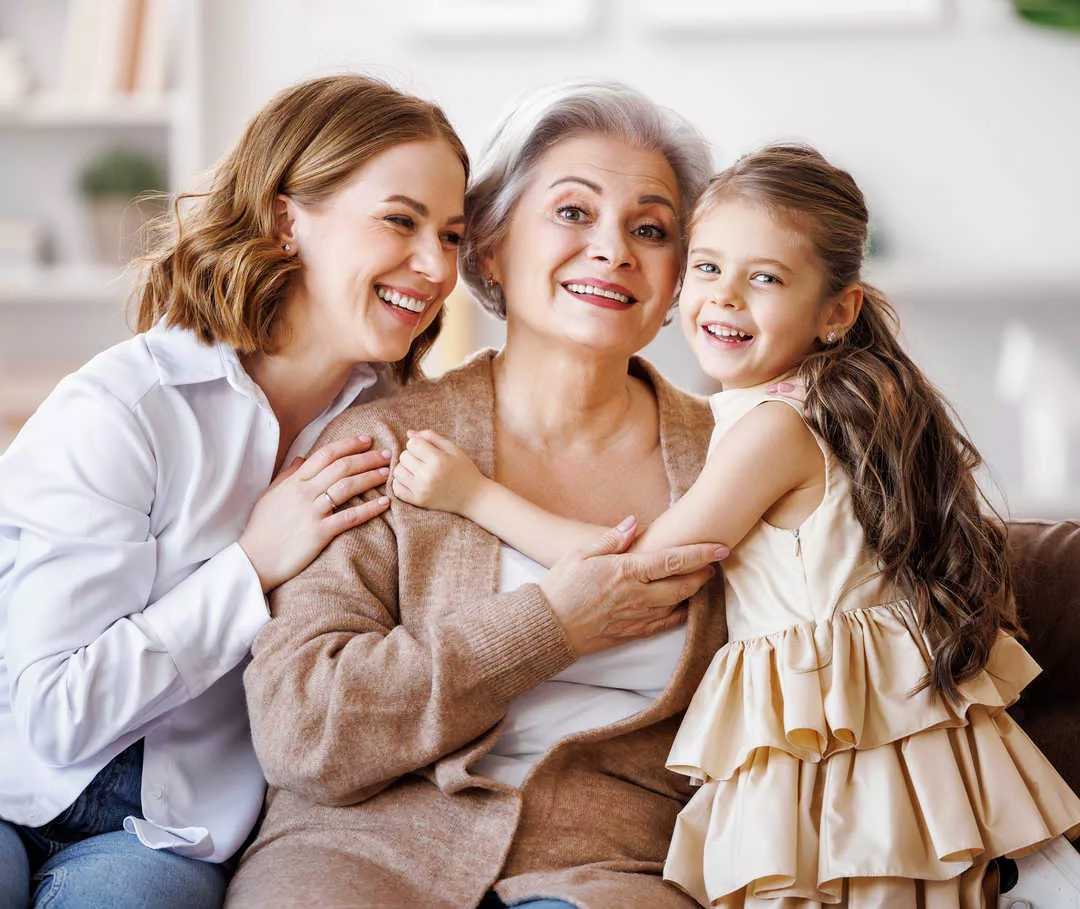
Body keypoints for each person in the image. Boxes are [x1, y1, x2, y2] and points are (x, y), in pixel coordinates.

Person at [394, 143, 1080, 906]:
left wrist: (473, 495)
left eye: (765, 279)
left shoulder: (774, 430)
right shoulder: (812, 406)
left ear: (836, 312)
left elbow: (642, 568)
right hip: (850, 726)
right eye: (709, 268)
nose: (724, 299)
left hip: (837, 739)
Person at [226, 82, 732, 909]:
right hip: (360, 850)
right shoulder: (380, 442)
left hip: (615, 869)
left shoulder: (731, 462)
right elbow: (304, 729)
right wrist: (549, 624)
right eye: (573, 212)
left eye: (651, 228)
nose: (613, 249)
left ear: (679, 280)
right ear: (489, 249)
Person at [0, 74, 467, 909]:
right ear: (289, 219)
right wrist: (250, 566)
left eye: (453, 234)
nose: (435, 267)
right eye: (401, 220)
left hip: (166, 832)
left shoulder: (395, 437)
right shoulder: (128, 408)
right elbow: (54, 714)